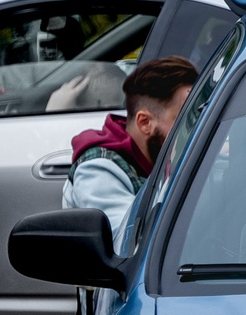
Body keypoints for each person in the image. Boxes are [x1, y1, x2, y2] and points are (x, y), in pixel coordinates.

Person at [65, 56, 197, 248]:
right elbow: (131, 246)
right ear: (145, 122)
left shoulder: (162, 156)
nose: (196, 129)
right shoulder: (98, 170)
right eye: (186, 119)